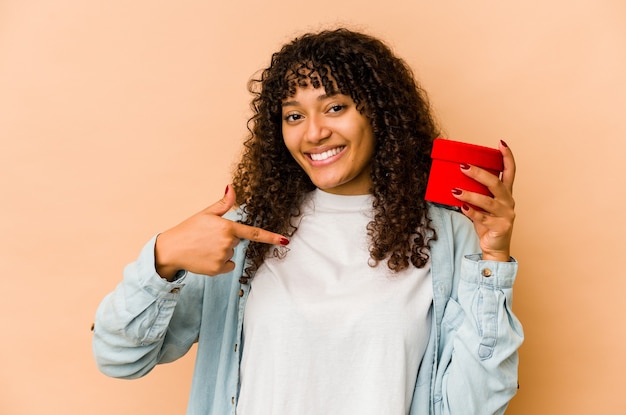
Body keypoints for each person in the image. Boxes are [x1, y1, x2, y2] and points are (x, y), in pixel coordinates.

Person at [92, 28, 523, 415]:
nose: (313, 132)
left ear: (380, 114)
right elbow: (119, 356)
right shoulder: (240, 236)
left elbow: (475, 406)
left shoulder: (445, 236)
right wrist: (162, 257)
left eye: (334, 107)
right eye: (294, 115)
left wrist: (494, 259)